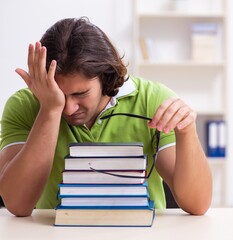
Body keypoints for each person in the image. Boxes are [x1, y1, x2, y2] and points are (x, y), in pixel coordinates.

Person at [0, 17, 212, 217]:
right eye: (59, 95)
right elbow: (18, 204)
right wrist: (49, 109)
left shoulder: (153, 100)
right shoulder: (25, 105)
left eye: (80, 93)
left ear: (106, 77)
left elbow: (197, 204)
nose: (69, 109)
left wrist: (187, 131)